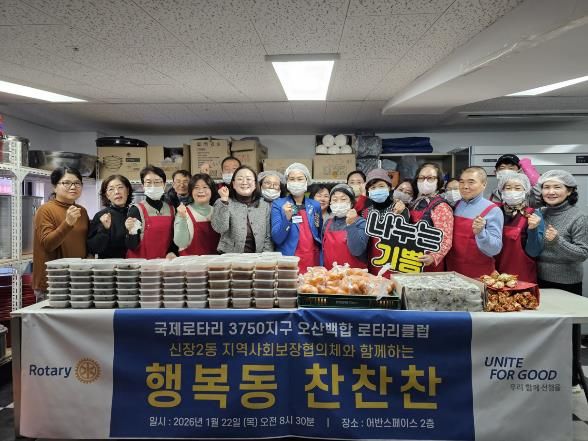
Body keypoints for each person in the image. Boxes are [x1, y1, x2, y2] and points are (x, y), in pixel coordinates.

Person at [536, 170, 588, 392]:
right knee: (546, 331)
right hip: (539, 279)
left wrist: (557, 241)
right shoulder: (540, 213)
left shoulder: (578, 217)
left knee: (568, 333)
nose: (551, 192)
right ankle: (548, 375)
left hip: (567, 282)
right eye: (546, 187)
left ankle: (572, 379)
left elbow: (582, 253)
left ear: (569, 191)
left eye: (557, 187)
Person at [33, 167, 89, 301]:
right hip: (52, 283)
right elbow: (48, 244)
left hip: (77, 280)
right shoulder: (45, 210)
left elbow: (84, 242)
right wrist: (67, 223)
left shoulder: (82, 211)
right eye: (66, 183)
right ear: (55, 187)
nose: (73, 187)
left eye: (77, 183)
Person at [347, 168, 409, 276]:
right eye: (373, 188)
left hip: (395, 263)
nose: (377, 190)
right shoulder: (365, 212)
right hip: (373, 263)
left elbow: (405, 238)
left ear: (389, 187)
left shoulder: (399, 208)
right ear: (368, 191)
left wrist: (399, 215)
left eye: (381, 186)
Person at [446, 167, 504, 279]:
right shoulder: (455, 205)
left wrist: (481, 233)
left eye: (471, 182)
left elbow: (495, 249)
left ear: (484, 184)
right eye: (461, 182)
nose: (465, 186)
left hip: (479, 274)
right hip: (452, 271)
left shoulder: (493, 210)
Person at [494, 171, 544, 283]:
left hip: (521, 277)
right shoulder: (495, 212)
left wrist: (533, 230)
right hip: (494, 275)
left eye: (517, 188)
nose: (512, 192)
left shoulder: (533, 214)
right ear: (501, 191)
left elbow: (534, 252)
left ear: (525, 191)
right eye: (508, 188)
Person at [271, 162, 322, 273]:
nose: (296, 182)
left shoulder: (315, 206)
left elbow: (318, 230)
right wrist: (287, 219)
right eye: (292, 179)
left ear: (307, 181)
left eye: (300, 179)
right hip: (289, 258)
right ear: (287, 182)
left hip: (312, 258)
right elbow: (277, 238)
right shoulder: (278, 204)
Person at [211, 165, 273, 253]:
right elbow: (220, 228)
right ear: (233, 184)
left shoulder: (264, 205)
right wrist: (224, 201)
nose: (244, 182)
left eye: (248, 179)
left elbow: (268, 236)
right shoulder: (223, 202)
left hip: (258, 257)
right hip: (230, 257)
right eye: (240, 179)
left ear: (255, 184)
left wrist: (265, 256)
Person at [126, 165, 177, 259]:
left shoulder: (171, 209)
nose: (153, 186)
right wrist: (131, 231)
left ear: (164, 185)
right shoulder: (136, 210)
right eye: (148, 182)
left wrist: (172, 252)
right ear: (143, 186)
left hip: (163, 262)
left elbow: (174, 238)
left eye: (157, 182)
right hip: (141, 263)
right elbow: (132, 246)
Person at [409, 163, 453, 272]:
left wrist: (433, 257)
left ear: (439, 181)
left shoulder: (441, 206)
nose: (425, 181)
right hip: (410, 258)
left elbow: (446, 239)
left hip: (428, 264)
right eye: (421, 178)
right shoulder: (414, 203)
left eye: (430, 178)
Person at [87, 174, 133, 259]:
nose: (117, 192)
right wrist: (104, 229)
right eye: (111, 189)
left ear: (127, 190)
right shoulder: (101, 216)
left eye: (120, 187)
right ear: (107, 195)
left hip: (134, 263)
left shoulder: (135, 213)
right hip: (108, 265)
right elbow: (93, 248)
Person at [173, 173, 220, 256]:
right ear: (191, 191)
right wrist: (182, 218)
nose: (201, 191)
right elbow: (180, 243)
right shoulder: (183, 212)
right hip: (190, 262)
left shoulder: (217, 211)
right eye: (196, 188)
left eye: (205, 187)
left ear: (212, 190)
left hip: (215, 262)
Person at [322, 184, 367, 269]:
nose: (339, 203)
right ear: (330, 204)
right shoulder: (327, 223)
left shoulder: (360, 222)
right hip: (330, 274)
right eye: (335, 200)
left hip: (353, 275)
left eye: (343, 199)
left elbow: (357, 250)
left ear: (351, 203)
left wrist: (351, 224)